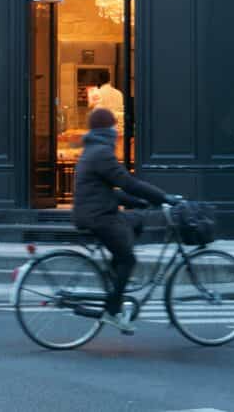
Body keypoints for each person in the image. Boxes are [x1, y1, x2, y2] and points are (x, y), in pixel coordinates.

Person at [72, 107, 179, 333]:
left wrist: (138, 202)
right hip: (99, 217)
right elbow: (128, 182)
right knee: (128, 260)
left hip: (96, 212)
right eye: (114, 126)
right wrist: (163, 197)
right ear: (107, 129)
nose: (116, 130)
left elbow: (108, 190)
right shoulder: (102, 153)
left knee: (136, 219)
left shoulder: (92, 150)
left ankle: (116, 278)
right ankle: (113, 311)